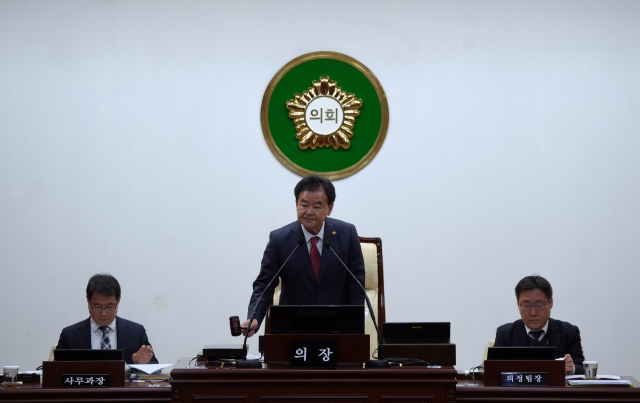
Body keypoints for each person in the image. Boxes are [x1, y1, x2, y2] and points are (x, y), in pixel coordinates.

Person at [242, 175, 365, 336]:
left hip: (337, 328)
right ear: (296, 204)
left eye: (317, 206)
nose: (309, 212)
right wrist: (254, 317)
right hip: (292, 329)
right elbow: (265, 284)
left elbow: (356, 283)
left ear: (329, 208)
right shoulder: (279, 239)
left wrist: (353, 327)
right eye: (304, 205)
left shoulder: (347, 234)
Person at [56, 273, 158, 365]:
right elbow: (55, 371)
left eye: (109, 307)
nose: (104, 313)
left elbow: (154, 365)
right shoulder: (70, 335)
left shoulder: (136, 332)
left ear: (118, 301)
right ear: (88, 301)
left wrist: (141, 365)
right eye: (97, 307)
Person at [494, 275, 584, 374]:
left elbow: (582, 369)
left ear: (550, 302)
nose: (533, 313)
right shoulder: (505, 334)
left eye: (539, 305)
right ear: (518, 304)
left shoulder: (569, 332)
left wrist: (572, 368)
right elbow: (491, 369)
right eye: (526, 305)